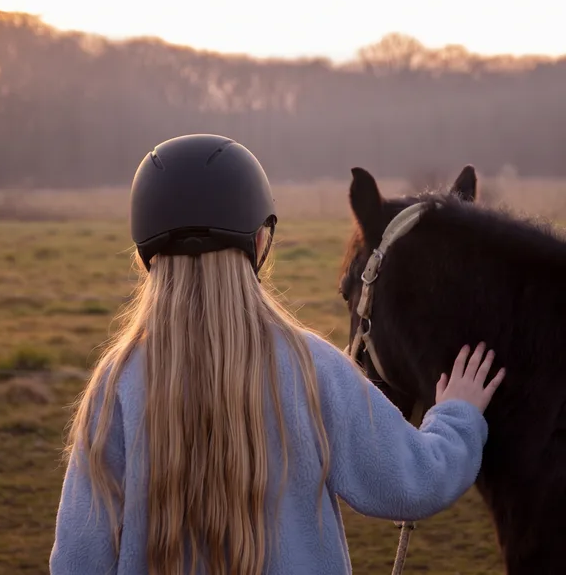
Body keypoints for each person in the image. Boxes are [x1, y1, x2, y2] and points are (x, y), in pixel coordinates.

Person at [49, 134, 506, 575]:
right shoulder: (312, 368)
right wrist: (457, 417)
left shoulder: (115, 385)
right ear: (261, 241)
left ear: (144, 251)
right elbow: (415, 482)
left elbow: (76, 560)